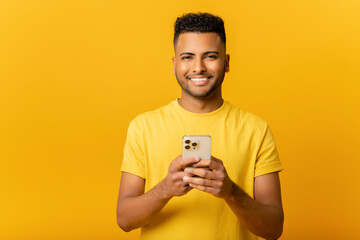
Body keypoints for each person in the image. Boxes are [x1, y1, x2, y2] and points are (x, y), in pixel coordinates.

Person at [117, 12, 284, 240]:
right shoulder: (143, 127)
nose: (198, 67)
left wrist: (231, 192)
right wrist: (165, 189)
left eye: (210, 56)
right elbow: (124, 220)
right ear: (175, 64)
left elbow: (273, 228)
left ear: (226, 63)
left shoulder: (256, 130)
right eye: (187, 57)